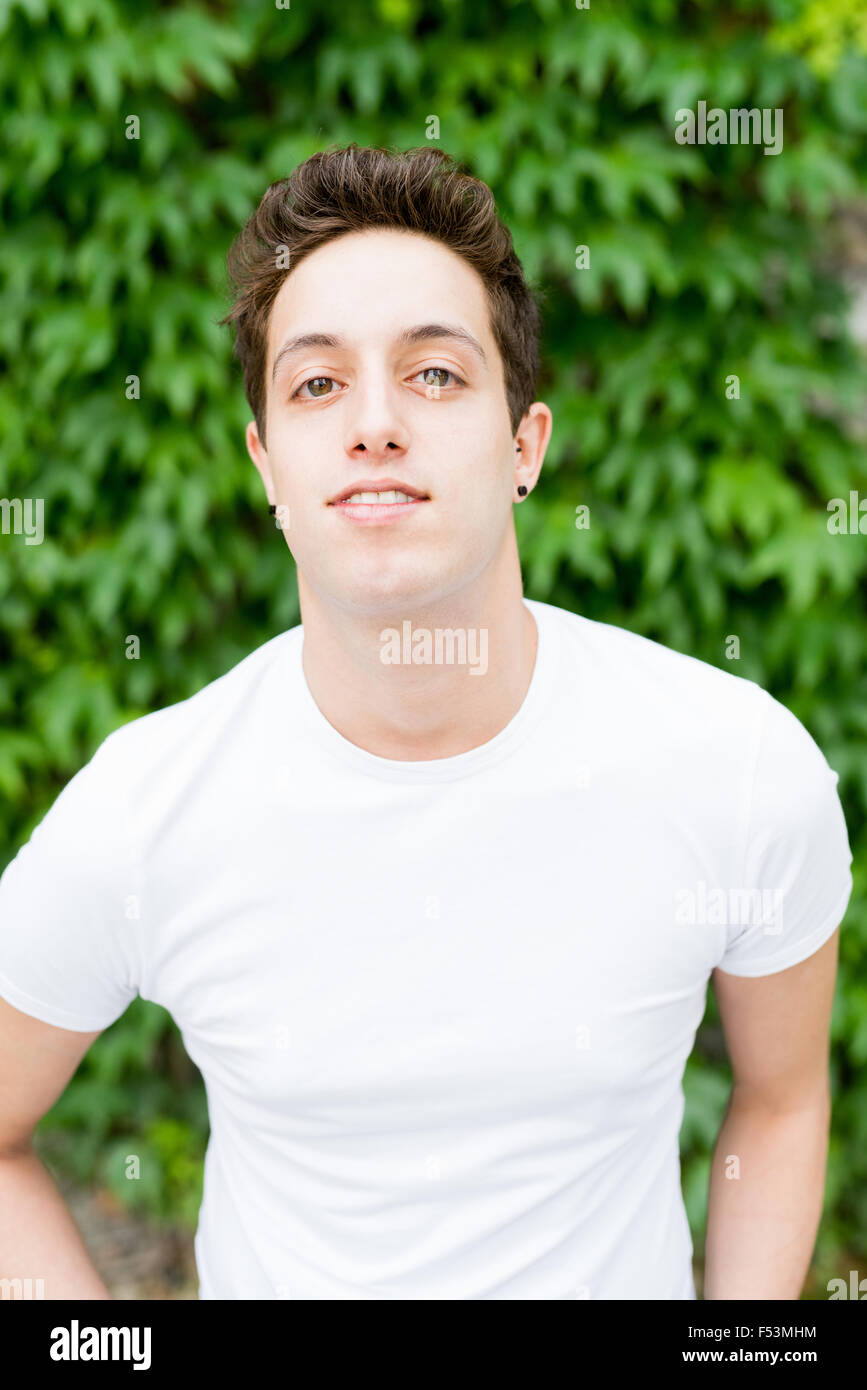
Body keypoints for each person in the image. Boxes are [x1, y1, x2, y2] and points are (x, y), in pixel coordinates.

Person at [0, 144, 853, 1301]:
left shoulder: (736, 768)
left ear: (526, 447)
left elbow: (786, 1095)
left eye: (437, 374)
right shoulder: (147, 808)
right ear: (268, 467)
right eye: (316, 384)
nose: (375, 423)